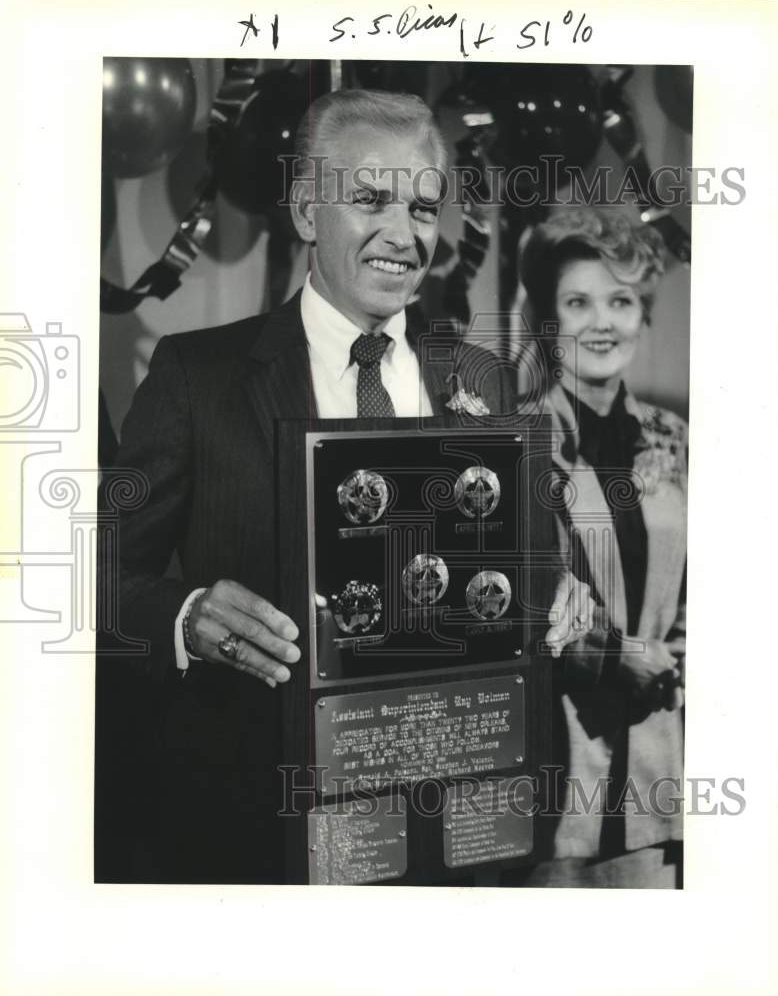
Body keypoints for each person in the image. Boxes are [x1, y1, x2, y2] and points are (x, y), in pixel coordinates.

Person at [96, 89, 594, 884]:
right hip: (260, 825)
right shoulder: (199, 377)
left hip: (451, 831)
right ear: (304, 212)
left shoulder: (483, 379)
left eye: (424, 209)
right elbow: (96, 579)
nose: (404, 235)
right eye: (370, 200)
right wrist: (186, 617)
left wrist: (562, 587)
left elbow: (537, 561)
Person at [510, 207, 686, 888]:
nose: (602, 322)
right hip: (558, 776)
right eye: (578, 302)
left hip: (658, 774)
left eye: (621, 301)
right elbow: (515, 612)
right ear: (549, 324)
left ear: (643, 313)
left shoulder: (675, 440)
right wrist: (614, 657)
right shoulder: (516, 442)